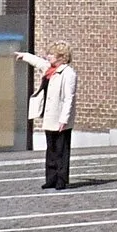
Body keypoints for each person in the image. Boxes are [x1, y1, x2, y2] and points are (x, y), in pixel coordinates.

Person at [16, 42, 76, 190]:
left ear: (61, 57)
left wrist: (64, 119)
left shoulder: (68, 73)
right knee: (51, 149)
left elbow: (69, 98)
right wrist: (24, 56)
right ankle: (51, 178)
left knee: (61, 149)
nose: (48, 56)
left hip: (60, 116)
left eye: (51, 54)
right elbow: (38, 62)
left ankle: (61, 179)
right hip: (50, 115)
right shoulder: (50, 69)